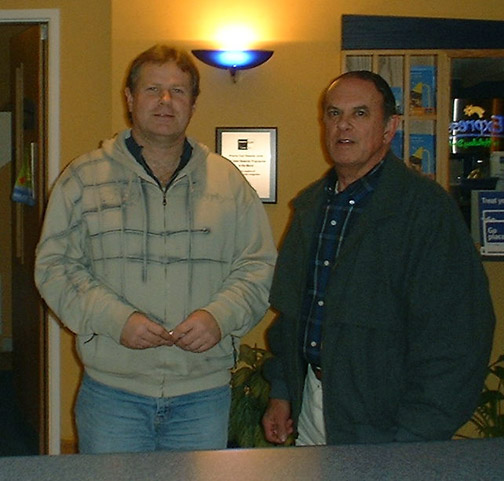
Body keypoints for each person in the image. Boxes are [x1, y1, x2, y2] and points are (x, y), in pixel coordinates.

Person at [35, 45, 276, 454]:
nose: (166, 101)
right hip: (113, 395)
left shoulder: (229, 183)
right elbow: (55, 266)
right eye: (153, 89)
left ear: (193, 104)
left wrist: (218, 317)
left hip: (203, 396)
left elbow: (257, 266)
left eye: (179, 91)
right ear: (130, 99)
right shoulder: (82, 178)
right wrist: (116, 319)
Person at [262, 70, 496, 446]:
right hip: (313, 410)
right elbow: (295, 316)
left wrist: (416, 436)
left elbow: (458, 339)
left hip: (388, 425)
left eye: (360, 114)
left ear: (390, 127)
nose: (344, 126)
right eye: (334, 113)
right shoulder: (311, 207)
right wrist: (284, 390)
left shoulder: (425, 212)